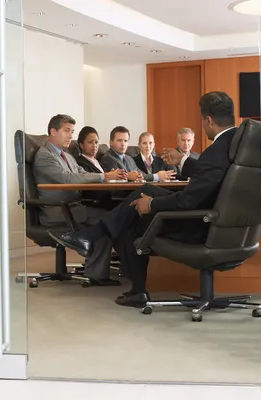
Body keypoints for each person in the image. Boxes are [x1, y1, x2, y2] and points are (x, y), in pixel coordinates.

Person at [48, 92, 238, 307]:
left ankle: (136, 289)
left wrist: (153, 204)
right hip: (224, 223)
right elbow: (214, 174)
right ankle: (92, 236)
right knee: (146, 191)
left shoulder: (215, 151)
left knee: (130, 220)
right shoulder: (238, 145)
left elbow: (188, 201)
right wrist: (184, 161)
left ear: (209, 120)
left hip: (201, 222)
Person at [33, 114, 125, 286]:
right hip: (58, 210)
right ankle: (104, 264)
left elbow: (81, 173)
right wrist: (103, 177)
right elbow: (67, 179)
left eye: (72, 132)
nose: (71, 136)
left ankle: (96, 274)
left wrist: (107, 176)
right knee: (110, 218)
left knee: (108, 222)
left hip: (74, 207)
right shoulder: (45, 155)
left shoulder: (67, 155)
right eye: (67, 131)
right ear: (53, 131)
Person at [75, 126, 120, 210]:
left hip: (111, 196)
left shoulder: (98, 161)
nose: (94, 145)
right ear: (81, 145)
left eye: (96, 142)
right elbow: (91, 184)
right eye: (90, 142)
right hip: (100, 201)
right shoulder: (80, 163)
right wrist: (108, 177)